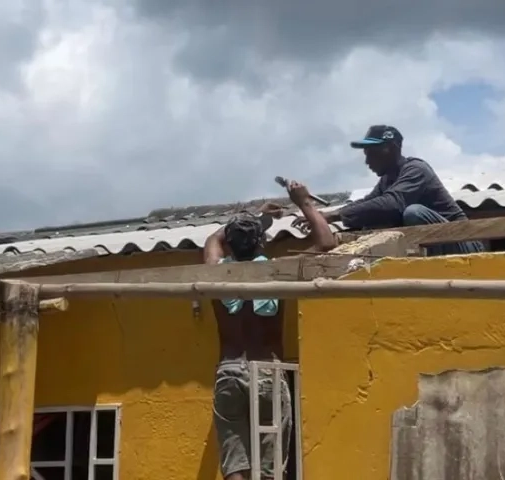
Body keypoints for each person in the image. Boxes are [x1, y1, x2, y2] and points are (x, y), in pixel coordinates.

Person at [204, 180, 335, 480]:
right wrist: (302, 201)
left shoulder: (214, 274)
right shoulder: (279, 273)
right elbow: (327, 243)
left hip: (230, 370)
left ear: (231, 245)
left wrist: (251, 220)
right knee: (270, 465)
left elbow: (214, 237)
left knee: (234, 462)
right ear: (261, 243)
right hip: (268, 372)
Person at [295, 124, 485, 256]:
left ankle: (434, 265)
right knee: (371, 220)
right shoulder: (388, 180)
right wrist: (322, 215)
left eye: (371, 154)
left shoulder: (416, 169)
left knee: (413, 213)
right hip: (447, 243)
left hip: (466, 244)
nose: (367, 161)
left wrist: (332, 216)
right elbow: (368, 203)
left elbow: (392, 203)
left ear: (389, 150)